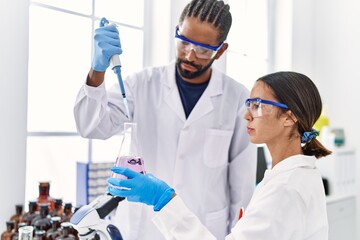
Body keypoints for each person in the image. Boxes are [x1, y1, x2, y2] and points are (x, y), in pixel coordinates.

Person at [74, 0, 257, 239]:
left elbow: (242, 186)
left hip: (201, 228)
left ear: (220, 50)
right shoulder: (141, 84)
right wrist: (97, 70)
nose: (190, 55)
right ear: (176, 32)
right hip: (142, 228)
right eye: (184, 42)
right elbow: (91, 126)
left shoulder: (237, 98)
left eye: (203, 50)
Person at [108, 71, 332, 240]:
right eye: (248, 105)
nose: (246, 115)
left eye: (257, 105)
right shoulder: (293, 175)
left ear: (289, 118)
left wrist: (163, 200)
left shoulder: (285, 188)